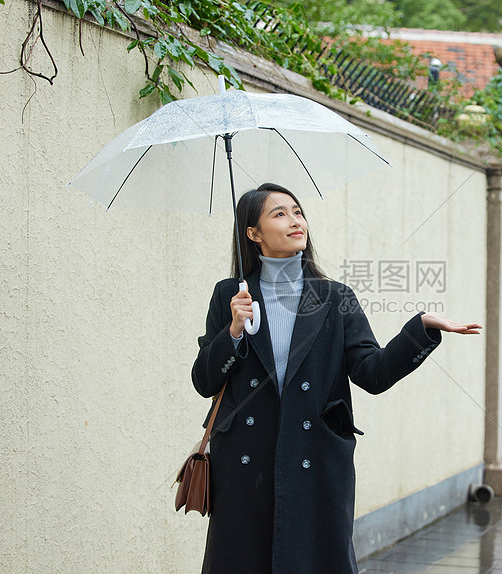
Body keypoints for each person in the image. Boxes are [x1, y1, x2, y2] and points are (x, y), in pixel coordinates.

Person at [191, 182, 482, 574]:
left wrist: (422, 329)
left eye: (297, 212)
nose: (296, 221)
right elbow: (204, 381)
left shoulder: (333, 296)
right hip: (244, 468)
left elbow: (372, 372)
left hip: (316, 461)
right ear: (253, 233)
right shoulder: (229, 295)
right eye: (279, 214)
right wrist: (234, 332)